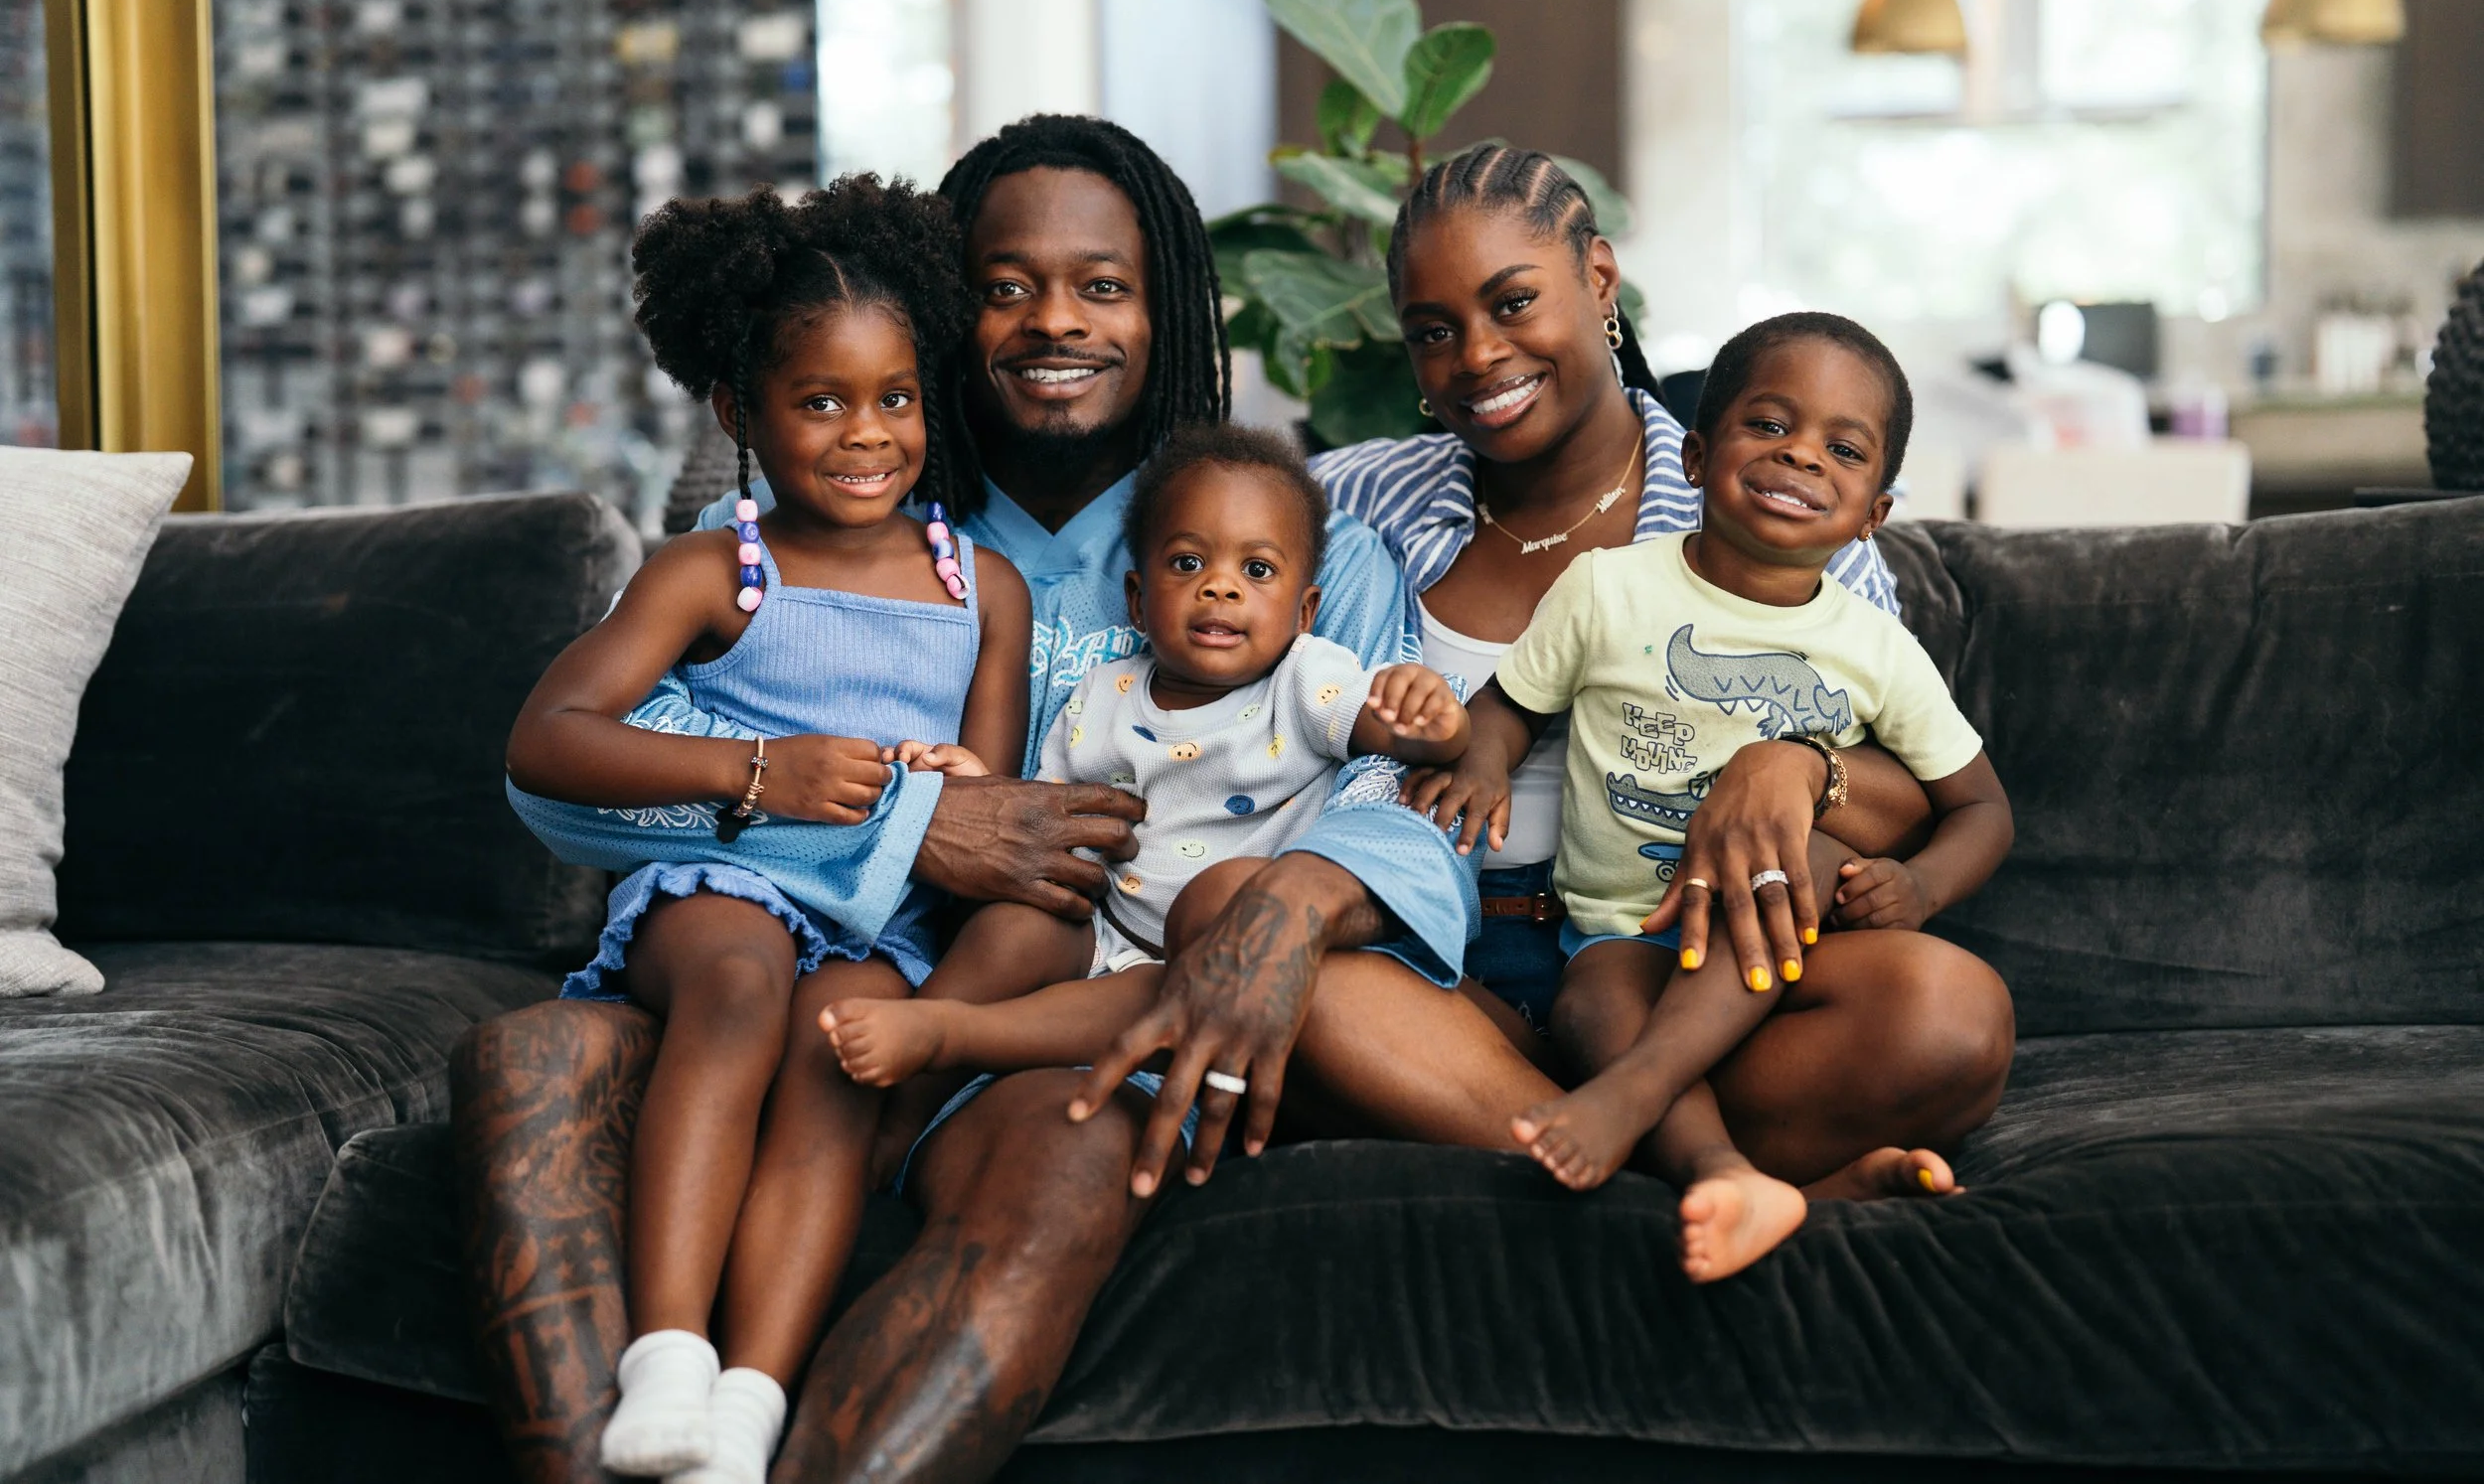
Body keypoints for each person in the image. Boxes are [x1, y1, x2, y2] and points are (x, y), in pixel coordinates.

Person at [452, 121, 2013, 1484]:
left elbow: (1409, 785)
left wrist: (1293, 895)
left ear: (1169, 312)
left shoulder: (1293, 523)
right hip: (805, 955)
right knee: (530, 1061)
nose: (1055, 320)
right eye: (1004, 285)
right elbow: (581, 787)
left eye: (1106, 284)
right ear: (938, 322)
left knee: (1087, 1134)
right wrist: (901, 827)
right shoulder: (837, 509)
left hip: (1076, 1000)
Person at [500, 177, 1061, 1482]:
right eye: (821, 402)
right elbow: (550, 734)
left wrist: (956, 775)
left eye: (897, 397)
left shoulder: (987, 589)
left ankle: (748, 1401)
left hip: (883, 900)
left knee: (838, 1060)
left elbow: (998, 784)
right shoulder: (711, 569)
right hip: (728, 874)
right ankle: (671, 1356)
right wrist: (761, 767)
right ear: (738, 412)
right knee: (744, 990)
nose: (868, 434)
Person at [1412, 309, 2016, 1278]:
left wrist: (1923, 889)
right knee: (1594, 995)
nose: (1800, 456)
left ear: (1873, 514)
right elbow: (1506, 707)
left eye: (1842, 448)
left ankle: (1631, 1098)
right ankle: (1730, 1173)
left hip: (1780, 953)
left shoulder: (1875, 647)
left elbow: (1980, 807)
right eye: (1769, 425)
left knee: (1805, 856)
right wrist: (1480, 761)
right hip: (1622, 934)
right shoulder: (1606, 589)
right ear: (1694, 457)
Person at [821, 423, 1469, 1094]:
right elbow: (1047, 823)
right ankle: (900, 1096)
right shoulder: (1104, 692)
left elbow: (1405, 738)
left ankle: (951, 1036)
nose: (1220, 587)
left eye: (1257, 569)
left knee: (1160, 993)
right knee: (1013, 928)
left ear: (1305, 611)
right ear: (1136, 599)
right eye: (1188, 563)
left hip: (1222, 956)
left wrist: (1434, 721)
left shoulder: (1305, 680)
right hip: (1105, 929)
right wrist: (977, 782)